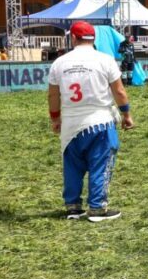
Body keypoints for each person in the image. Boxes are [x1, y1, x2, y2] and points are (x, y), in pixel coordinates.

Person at [47, 21, 134, 222]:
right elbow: (119, 91)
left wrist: (55, 118)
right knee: (100, 163)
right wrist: (126, 114)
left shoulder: (59, 63)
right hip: (100, 121)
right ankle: (97, 208)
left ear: (73, 38)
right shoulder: (105, 60)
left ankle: (73, 207)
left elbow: (52, 95)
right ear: (93, 38)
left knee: (72, 166)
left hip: (70, 123)